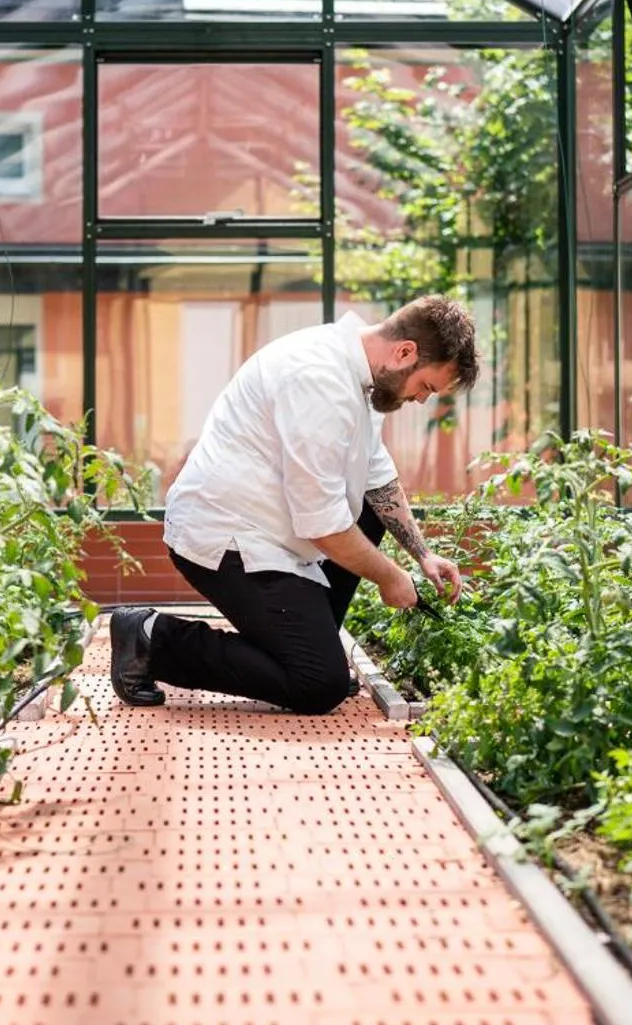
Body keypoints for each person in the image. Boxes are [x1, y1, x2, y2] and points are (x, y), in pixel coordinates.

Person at [108, 297, 480, 715]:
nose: (421, 400)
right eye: (426, 387)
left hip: (277, 532)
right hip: (228, 539)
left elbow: (377, 476)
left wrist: (423, 555)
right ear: (404, 352)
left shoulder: (364, 380)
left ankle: (306, 647)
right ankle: (149, 639)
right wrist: (392, 578)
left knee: (368, 512)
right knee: (318, 684)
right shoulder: (318, 379)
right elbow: (324, 525)